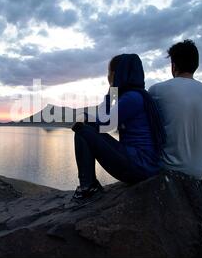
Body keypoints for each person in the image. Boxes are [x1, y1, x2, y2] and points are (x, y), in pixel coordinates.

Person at [71, 54, 166, 202]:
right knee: (86, 125)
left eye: (109, 73)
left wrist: (110, 93)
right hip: (143, 164)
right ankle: (89, 186)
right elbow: (103, 123)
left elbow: (104, 124)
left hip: (140, 166)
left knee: (82, 131)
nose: (107, 76)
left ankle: (88, 186)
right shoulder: (137, 95)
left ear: (116, 74)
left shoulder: (131, 98)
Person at [148, 40, 202, 184]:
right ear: (196, 65)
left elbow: (112, 124)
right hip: (198, 176)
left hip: (166, 172)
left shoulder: (156, 90)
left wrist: (113, 89)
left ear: (173, 65)